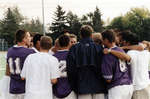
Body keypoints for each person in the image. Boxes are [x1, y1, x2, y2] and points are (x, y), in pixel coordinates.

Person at [66, 25, 107, 99]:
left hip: (82, 86)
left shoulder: (74, 48)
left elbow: (70, 70)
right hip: (99, 86)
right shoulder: (99, 48)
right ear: (91, 35)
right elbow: (105, 67)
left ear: (80, 35)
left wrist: (74, 85)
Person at [101, 30, 133, 99]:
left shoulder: (107, 55)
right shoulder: (121, 50)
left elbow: (108, 79)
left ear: (106, 40)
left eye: (102, 40)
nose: (102, 42)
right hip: (128, 86)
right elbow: (128, 58)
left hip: (116, 89)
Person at [6, 30, 35, 99]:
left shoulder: (9, 51)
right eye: (28, 36)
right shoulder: (30, 52)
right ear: (24, 39)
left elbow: (8, 71)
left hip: (13, 88)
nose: (30, 38)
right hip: (25, 89)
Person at [53, 34, 76, 99]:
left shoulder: (53, 57)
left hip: (56, 89)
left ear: (59, 43)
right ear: (69, 43)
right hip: (70, 89)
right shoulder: (73, 55)